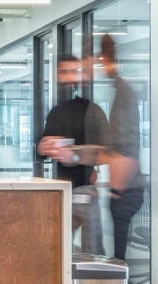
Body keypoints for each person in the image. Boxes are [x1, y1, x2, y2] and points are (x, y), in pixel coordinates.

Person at [37, 51, 111, 255]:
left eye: (73, 72)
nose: (69, 77)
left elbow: (110, 151)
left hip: (85, 191)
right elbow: (43, 148)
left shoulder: (92, 110)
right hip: (59, 192)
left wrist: (76, 155)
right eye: (64, 72)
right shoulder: (55, 112)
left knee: (92, 252)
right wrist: (43, 148)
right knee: (54, 251)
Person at [97, 34, 144, 261]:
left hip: (127, 190)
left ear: (107, 59)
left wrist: (117, 188)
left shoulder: (123, 93)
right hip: (124, 188)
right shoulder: (119, 91)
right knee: (117, 253)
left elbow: (130, 145)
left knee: (118, 255)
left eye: (102, 61)